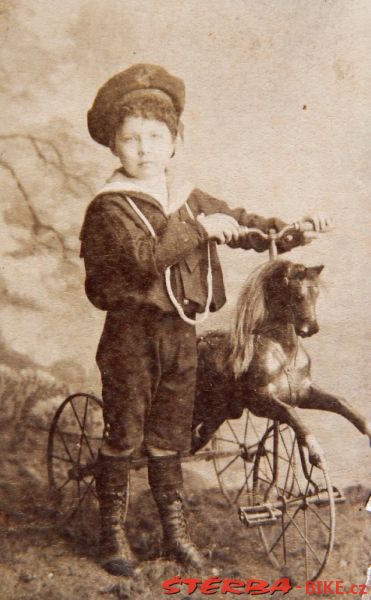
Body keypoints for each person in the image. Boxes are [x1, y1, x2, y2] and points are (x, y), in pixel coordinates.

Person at [80, 63, 332, 576]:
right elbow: (142, 260)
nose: (145, 148)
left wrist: (294, 230)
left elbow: (243, 225)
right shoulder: (110, 208)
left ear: (174, 143)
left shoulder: (188, 197)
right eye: (131, 138)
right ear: (114, 147)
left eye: (157, 136)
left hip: (180, 335)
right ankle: (112, 534)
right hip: (130, 336)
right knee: (126, 434)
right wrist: (199, 229)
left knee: (170, 434)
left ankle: (175, 534)